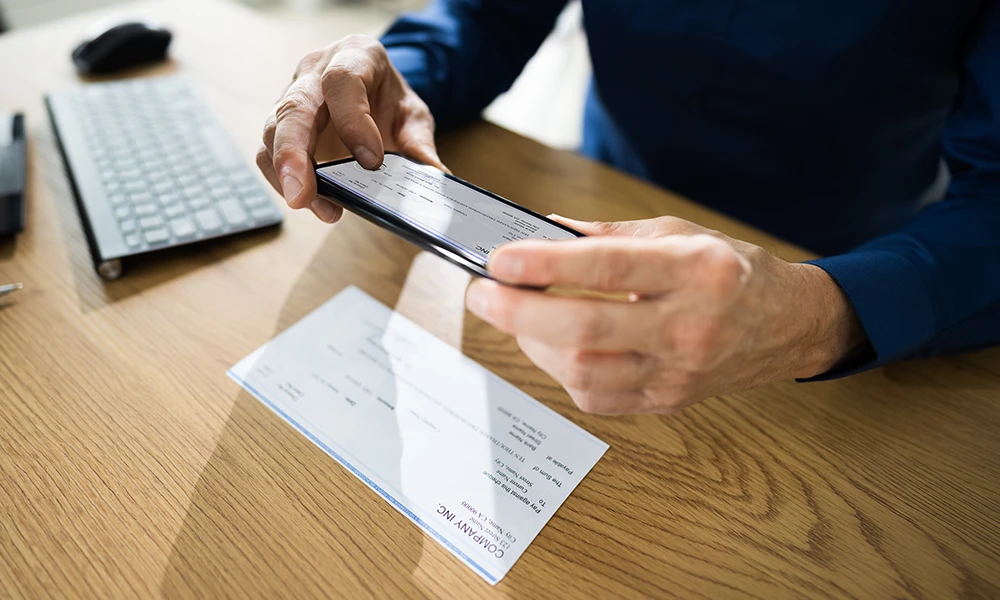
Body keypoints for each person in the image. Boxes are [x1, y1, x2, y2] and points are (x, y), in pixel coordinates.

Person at [257, 1, 1000, 415]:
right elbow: (489, 16)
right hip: (591, 223)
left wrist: (821, 316)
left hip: (851, 268)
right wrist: (396, 73)